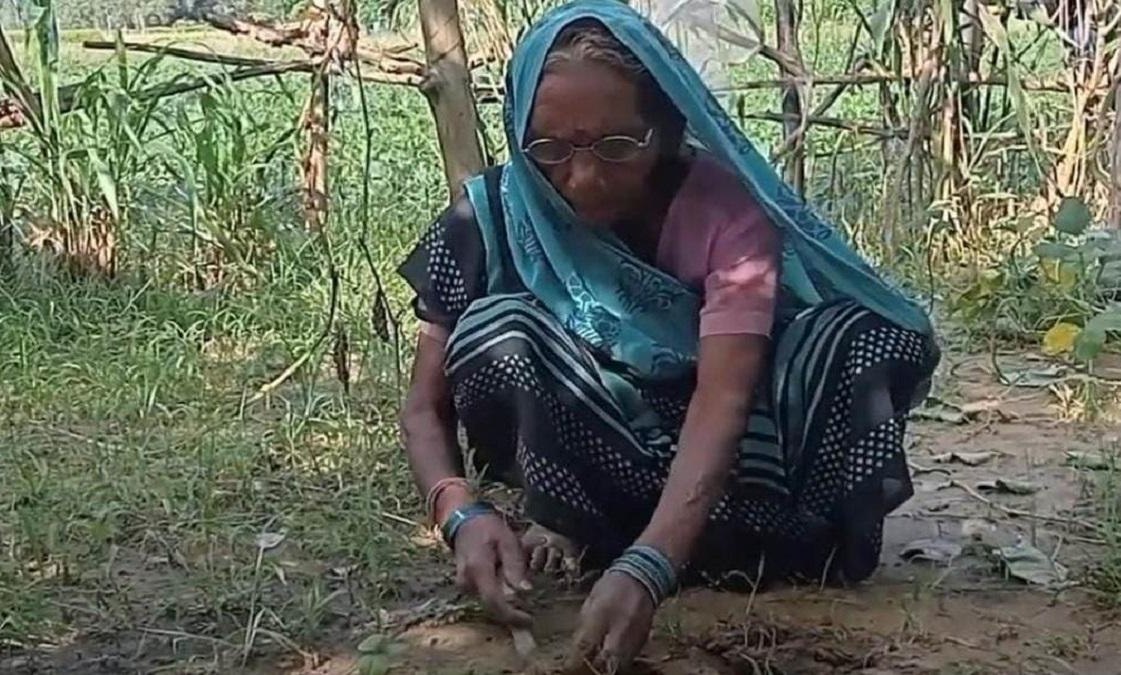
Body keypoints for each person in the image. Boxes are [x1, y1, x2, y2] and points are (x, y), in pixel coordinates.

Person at [396, 0, 939, 670]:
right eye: (550, 149)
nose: (584, 177)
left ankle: (740, 544)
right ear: (518, 133)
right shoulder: (487, 220)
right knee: (494, 330)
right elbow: (424, 407)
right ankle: (591, 528)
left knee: (854, 334)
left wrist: (652, 565)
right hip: (607, 462)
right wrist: (461, 514)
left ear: (667, 126)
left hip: (740, 467)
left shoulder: (727, 212)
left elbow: (723, 401)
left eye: (619, 145)